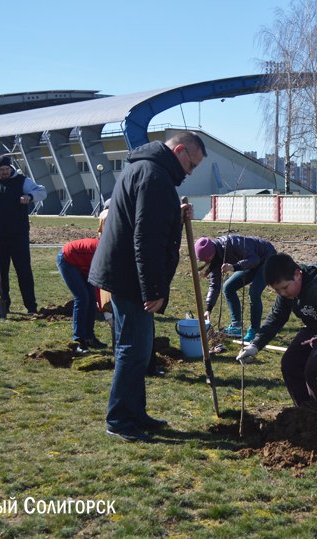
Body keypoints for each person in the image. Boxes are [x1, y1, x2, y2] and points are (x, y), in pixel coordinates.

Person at [88, 131, 206, 443]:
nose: (189, 173)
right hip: (130, 279)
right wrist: (152, 289)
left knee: (139, 350)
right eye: (191, 165)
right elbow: (145, 239)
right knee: (132, 349)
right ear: (180, 150)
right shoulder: (153, 176)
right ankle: (120, 419)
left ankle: (135, 413)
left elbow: (149, 222)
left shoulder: (145, 170)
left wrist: (175, 217)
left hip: (125, 274)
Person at [236, 253, 317, 412]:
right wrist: (255, 345)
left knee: (315, 371)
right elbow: (276, 317)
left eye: (284, 288)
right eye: (277, 290)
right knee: (290, 364)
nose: (282, 293)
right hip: (316, 325)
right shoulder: (288, 291)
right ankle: (305, 413)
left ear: (298, 274)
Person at [0, 155, 46, 314]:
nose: (4, 172)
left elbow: (42, 191)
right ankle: (4, 305)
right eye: (1, 170)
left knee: (24, 271)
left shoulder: (22, 181)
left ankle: (31, 306)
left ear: (10, 168)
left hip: (19, 234)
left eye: (6, 169)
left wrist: (30, 197)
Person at [194, 235, 277, 342]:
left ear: (212, 251)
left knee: (254, 292)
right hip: (250, 263)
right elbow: (215, 285)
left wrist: (234, 267)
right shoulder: (215, 258)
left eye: (208, 259)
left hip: (266, 257)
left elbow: (254, 259)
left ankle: (254, 330)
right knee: (228, 287)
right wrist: (208, 309)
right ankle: (236, 327)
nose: (208, 261)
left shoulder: (233, 243)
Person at [56, 209, 109, 353]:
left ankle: (89, 337)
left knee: (90, 300)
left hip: (83, 263)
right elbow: (99, 284)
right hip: (67, 259)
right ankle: (79, 340)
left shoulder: (109, 254)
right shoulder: (102, 255)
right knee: (82, 298)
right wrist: (104, 307)